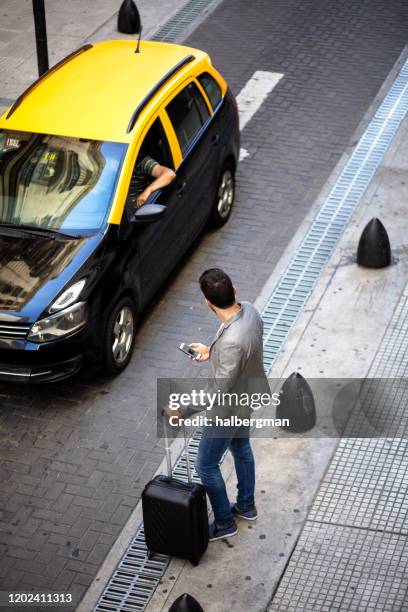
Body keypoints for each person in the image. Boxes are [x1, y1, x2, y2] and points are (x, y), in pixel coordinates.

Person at [164, 268, 270, 542]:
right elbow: (242, 350)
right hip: (247, 396)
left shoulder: (232, 343)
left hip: (227, 410)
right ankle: (245, 506)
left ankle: (225, 522)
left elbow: (216, 389)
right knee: (241, 448)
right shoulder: (249, 310)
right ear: (233, 290)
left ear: (207, 302)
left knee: (206, 466)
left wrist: (181, 408)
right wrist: (211, 353)